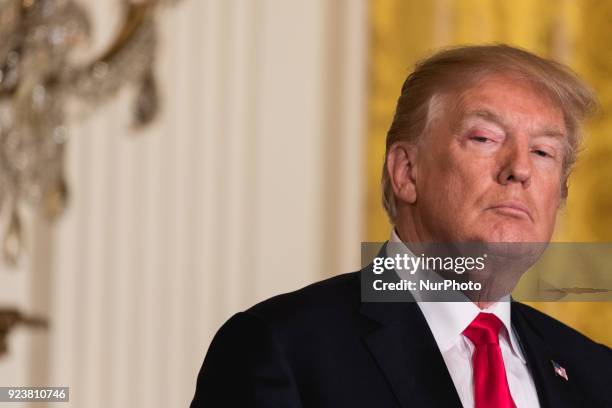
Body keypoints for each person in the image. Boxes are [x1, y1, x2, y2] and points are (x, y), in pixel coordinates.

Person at [190, 44, 612, 408]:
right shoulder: (280, 348)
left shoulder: (597, 374)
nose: (519, 168)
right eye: (485, 138)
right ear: (407, 172)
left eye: (543, 152)